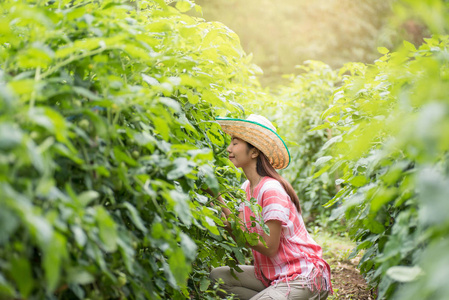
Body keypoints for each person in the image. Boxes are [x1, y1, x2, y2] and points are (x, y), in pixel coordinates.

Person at [209, 114, 332, 300]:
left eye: (235, 143)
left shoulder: (271, 189)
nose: (229, 148)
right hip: (271, 275)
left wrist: (217, 197)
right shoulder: (246, 188)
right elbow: (243, 235)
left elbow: (269, 247)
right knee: (218, 278)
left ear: (254, 152)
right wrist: (217, 199)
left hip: (300, 276)